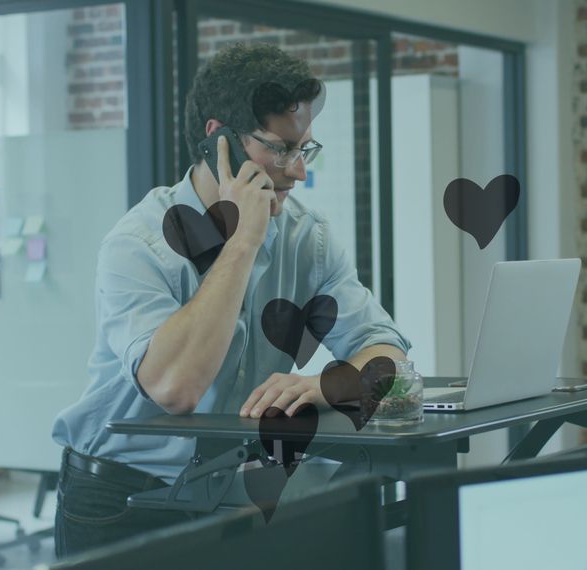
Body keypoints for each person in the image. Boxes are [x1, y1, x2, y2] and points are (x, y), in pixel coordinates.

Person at [51, 42, 410, 557]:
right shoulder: (139, 244)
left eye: (304, 149)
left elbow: (388, 357)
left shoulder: (308, 238)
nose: (298, 171)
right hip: (121, 498)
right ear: (220, 142)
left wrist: (325, 386)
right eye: (281, 149)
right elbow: (176, 388)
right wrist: (242, 242)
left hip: (231, 494)